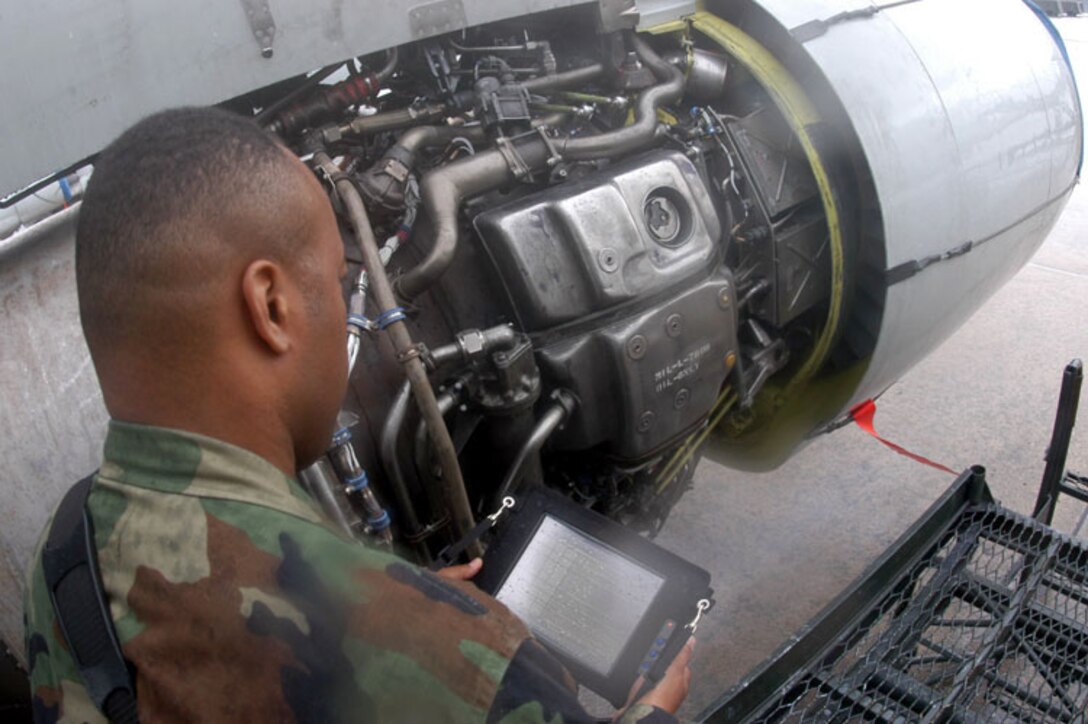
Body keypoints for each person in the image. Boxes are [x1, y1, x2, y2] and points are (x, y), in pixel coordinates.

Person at [23, 107, 694, 723]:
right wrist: (652, 711)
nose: (350, 317)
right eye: (339, 283)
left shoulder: (64, 555)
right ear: (272, 307)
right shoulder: (463, 664)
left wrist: (390, 607)